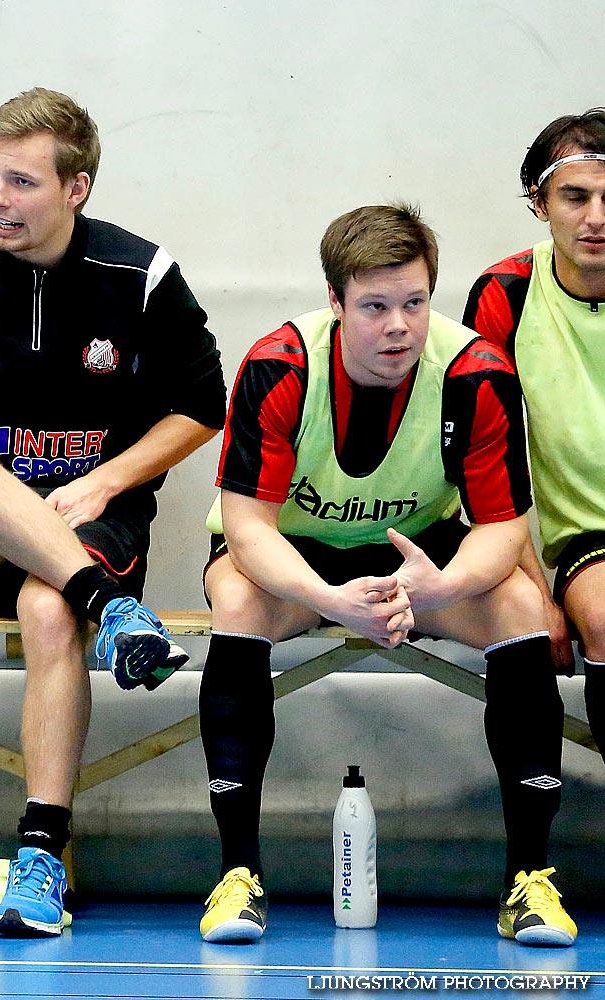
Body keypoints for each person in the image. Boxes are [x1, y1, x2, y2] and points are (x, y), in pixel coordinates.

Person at [0, 88, 226, 936]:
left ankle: (40, 858)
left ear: (78, 188)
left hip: (85, 520)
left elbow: (203, 402)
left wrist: (105, 483)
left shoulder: (142, 275)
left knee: (45, 603)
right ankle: (109, 607)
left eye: (22, 182)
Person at [198, 204, 574, 947]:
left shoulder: (475, 371)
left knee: (522, 603)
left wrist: (440, 588)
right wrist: (331, 601)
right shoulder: (280, 366)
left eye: (414, 302)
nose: (399, 325)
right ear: (335, 304)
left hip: (424, 561)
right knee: (237, 598)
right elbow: (246, 527)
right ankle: (237, 876)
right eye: (374, 307)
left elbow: (503, 528)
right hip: (296, 563)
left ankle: (530, 880)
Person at [464, 109, 605, 761]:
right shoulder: (506, 292)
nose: (597, 217)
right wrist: (533, 587)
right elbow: (486, 455)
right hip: (590, 540)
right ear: (539, 202)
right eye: (576, 197)